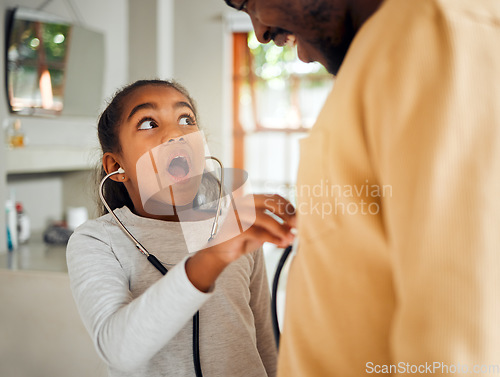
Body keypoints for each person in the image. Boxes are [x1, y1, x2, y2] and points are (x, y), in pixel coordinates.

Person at [224, 0, 500, 376]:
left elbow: (458, 344)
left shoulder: (429, 31)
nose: (259, 31)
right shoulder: (384, 53)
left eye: (248, 2)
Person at [66, 79, 296, 377]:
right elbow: (119, 351)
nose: (176, 133)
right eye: (148, 123)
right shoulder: (97, 241)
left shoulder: (234, 228)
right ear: (115, 167)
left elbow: (264, 341)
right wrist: (212, 257)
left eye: (186, 120)